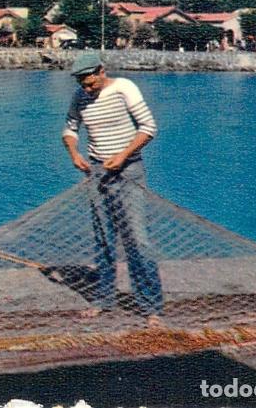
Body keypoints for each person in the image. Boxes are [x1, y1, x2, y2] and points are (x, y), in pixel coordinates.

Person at [62, 52, 164, 326]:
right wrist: (74, 154)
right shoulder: (79, 96)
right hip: (97, 172)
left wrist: (123, 155)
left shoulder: (124, 88)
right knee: (104, 238)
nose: (86, 89)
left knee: (137, 239)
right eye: (82, 84)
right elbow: (70, 129)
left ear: (101, 71)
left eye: (90, 83)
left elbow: (149, 128)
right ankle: (103, 300)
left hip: (128, 170)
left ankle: (151, 307)